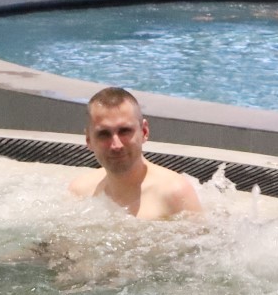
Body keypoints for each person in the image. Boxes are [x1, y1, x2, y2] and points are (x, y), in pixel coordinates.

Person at [68, 87, 203, 220]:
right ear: (89, 140)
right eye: (104, 134)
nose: (116, 145)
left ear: (144, 132)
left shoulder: (175, 195)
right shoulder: (80, 192)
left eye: (124, 131)